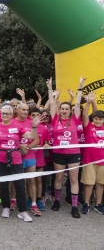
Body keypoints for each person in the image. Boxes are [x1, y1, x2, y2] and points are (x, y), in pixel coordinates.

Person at [0, 105, 42, 222]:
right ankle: (6, 207)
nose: (5, 115)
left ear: (12, 114)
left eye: (7, 113)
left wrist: (34, 126)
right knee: (3, 185)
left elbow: (31, 136)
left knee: (20, 185)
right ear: (0, 114)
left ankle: (22, 211)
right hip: (0, 158)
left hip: (16, 158)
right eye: (3, 113)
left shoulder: (17, 126)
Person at [47, 77, 84, 218]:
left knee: (74, 179)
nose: (64, 111)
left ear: (70, 110)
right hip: (58, 153)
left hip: (73, 153)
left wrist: (80, 86)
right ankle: (56, 201)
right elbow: (51, 103)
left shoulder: (74, 119)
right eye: (62, 108)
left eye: (66, 109)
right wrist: (50, 88)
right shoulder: (55, 119)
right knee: (58, 178)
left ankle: (74, 206)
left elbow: (78, 102)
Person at [12, 103, 41, 217]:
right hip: (16, 155)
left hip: (29, 155)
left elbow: (36, 140)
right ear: (17, 110)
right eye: (23, 109)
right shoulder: (12, 122)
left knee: (31, 181)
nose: (25, 112)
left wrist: (27, 147)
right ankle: (13, 200)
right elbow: (9, 138)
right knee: (15, 181)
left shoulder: (31, 122)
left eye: (27, 110)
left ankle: (34, 204)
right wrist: (20, 146)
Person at [81, 92, 104, 214]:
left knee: (100, 184)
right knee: (89, 184)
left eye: (100, 119)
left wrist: (94, 101)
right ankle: (86, 203)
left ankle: (98, 204)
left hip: (103, 161)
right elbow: (85, 116)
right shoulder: (89, 127)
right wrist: (88, 103)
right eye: (96, 118)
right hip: (89, 160)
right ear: (93, 119)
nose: (98, 120)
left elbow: (97, 111)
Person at [29, 107, 50, 212]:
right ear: (29, 115)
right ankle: (29, 199)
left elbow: (46, 141)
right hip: (29, 156)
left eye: (37, 115)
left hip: (40, 157)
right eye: (33, 115)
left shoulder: (44, 128)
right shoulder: (26, 126)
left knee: (39, 179)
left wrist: (46, 144)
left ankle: (39, 200)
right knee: (30, 180)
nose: (35, 117)